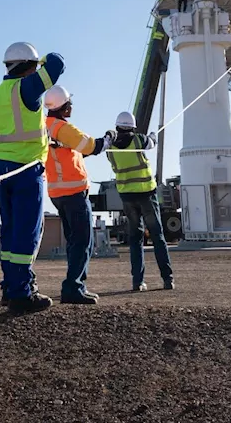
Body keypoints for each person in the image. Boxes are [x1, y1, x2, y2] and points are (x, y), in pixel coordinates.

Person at [0, 42, 64, 312]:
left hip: (1, 167)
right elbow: (57, 64)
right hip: (26, 169)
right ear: (29, 67)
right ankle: (21, 293)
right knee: (27, 231)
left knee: (9, 230)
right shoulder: (27, 88)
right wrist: (42, 60)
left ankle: (10, 287)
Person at [43, 85, 106, 304]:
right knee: (83, 242)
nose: (72, 106)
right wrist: (108, 139)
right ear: (63, 106)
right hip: (73, 193)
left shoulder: (44, 126)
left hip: (57, 193)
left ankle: (75, 284)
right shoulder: (62, 127)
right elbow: (90, 146)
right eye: (69, 103)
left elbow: (65, 156)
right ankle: (73, 287)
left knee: (74, 241)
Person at [106, 112, 174, 292]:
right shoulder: (138, 140)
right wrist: (152, 135)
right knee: (157, 236)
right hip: (146, 194)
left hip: (127, 196)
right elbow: (151, 143)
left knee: (135, 239)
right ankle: (168, 279)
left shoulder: (110, 147)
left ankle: (138, 282)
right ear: (133, 126)